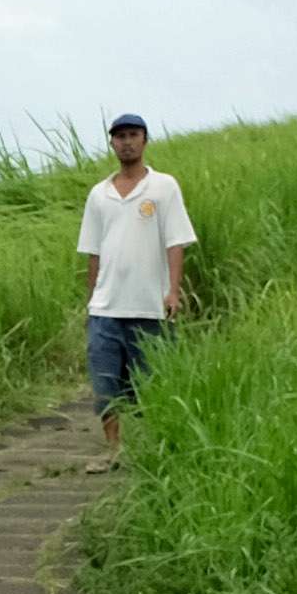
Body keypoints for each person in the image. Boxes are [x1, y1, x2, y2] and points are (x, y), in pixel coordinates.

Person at [76, 111, 192, 455]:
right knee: (105, 383)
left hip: (150, 306)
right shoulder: (99, 194)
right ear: (112, 142)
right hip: (106, 308)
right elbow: (93, 252)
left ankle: (154, 448)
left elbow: (176, 242)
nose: (126, 142)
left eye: (132, 135)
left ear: (144, 140)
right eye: (120, 136)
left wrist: (173, 291)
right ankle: (113, 450)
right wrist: (91, 299)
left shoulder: (162, 187)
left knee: (154, 382)